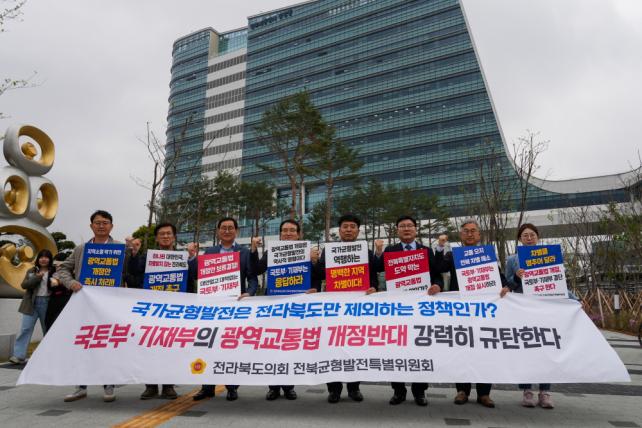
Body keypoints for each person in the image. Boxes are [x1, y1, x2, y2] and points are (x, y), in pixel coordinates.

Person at [432, 219, 509, 409]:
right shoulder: (452, 254)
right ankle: (462, 391)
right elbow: (439, 268)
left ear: (479, 234)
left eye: (473, 231)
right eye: (466, 231)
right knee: (461, 350)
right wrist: (440, 247)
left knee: (485, 350)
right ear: (461, 235)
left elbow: (499, 277)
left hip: (484, 311)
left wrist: (506, 286)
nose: (469, 234)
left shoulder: (487, 254)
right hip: (461, 311)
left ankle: (484, 393)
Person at [373, 215, 444, 407]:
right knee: (396, 349)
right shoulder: (390, 250)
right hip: (397, 309)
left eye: (409, 226)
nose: (406, 229)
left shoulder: (425, 250)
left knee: (420, 350)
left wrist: (438, 285)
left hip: (420, 309)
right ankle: (398, 391)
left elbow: (436, 274)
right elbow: (377, 268)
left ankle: (419, 391)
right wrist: (378, 251)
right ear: (397, 230)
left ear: (415, 229)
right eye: (402, 226)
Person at [55, 210, 123, 403]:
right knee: (83, 344)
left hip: (110, 306)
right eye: (98, 222)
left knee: (107, 344)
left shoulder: (120, 248)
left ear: (111, 226)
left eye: (105, 222)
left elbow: (130, 273)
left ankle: (108, 385)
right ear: (91, 225)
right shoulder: (81, 249)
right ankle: (81, 386)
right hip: (84, 304)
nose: (101, 226)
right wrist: (71, 283)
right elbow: (63, 269)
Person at [312, 213, 378, 404]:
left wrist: (374, 287)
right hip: (334, 307)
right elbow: (319, 274)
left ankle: (354, 388)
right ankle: (334, 390)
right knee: (332, 347)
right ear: (339, 230)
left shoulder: (366, 251)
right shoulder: (329, 250)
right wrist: (314, 261)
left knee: (355, 347)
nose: (349, 230)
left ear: (358, 230)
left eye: (352, 227)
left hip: (357, 307)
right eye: (345, 227)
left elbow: (373, 275)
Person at [250, 219, 319, 401]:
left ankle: (289, 387)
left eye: (292, 230)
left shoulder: (307, 252)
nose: (288, 233)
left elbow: (315, 277)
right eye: (285, 230)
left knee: (291, 348)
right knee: (273, 348)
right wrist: (254, 249)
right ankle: (273, 387)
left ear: (298, 234)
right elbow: (256, 269)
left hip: (297, 307)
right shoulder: (271, 252)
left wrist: (313, 267)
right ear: (280, 234)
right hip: (274, 307)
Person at [193, 217, 258, 402]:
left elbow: (252, 278)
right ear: (218, 231)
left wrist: (249, 293)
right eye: (223, 228)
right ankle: (207, 387)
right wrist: (192, 257)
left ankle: (231, 387)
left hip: (235, 308)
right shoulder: (210, 252)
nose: (227, 231)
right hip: (213, 308)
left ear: (236, 231)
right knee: (209, 346)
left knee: (232, 347)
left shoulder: (244, 252)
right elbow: (197, 275)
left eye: (230, 228)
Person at [138, 222, 196, 400]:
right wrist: (134, 253)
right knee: (150, 348)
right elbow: (134, 272)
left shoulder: (183, 257)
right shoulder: (147, 257)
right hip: (152, 310)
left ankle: (168, 386)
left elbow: (193, 278)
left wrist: (192, 258)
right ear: (156, 238)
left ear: (174, 237)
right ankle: (150, 386)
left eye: (168, 233)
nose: (165, 236)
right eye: (161, 234)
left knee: (172, 349)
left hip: (175, 311)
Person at [500, 223, 554, 409]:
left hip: (544, 309)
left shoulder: (548, 256)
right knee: (526, 350)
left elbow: (557, 283)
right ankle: (527, 391)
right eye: (525, 236)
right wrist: (516, 277)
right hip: (522, 310)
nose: (529, 238)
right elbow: (507, 285)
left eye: (532, 235)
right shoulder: (512, 259)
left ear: (538, 237)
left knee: (546, 350)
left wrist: (574, 300)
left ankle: (545, 392)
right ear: (519, 239)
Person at [9, 249, 56, 365]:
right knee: (25, 329)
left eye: (46, 257)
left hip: (48, 303)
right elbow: (24, 285)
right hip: (31, 303)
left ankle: (49, 355)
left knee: (48, 330)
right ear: (38, 259)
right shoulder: (32, 271)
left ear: (50, 259)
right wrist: (37, 277)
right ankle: (18, 356)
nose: (43, 259)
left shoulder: (55, 271)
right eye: (41, 257)